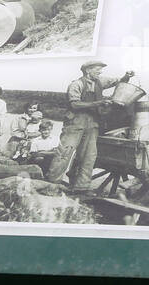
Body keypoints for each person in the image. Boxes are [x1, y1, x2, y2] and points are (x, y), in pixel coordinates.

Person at [48, 60, 134, 192]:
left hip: (92, 124)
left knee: (89, 156)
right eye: (97, 69)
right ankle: (52, 183)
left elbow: (118, 81)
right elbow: (74, 104)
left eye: (100, 70)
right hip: (75, 123)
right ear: (88, 70)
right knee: (64, 152)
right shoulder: (76, 84)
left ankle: (81, 187)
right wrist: (98, 103)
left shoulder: (100, 81)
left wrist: (127, 76)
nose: (100, 72)